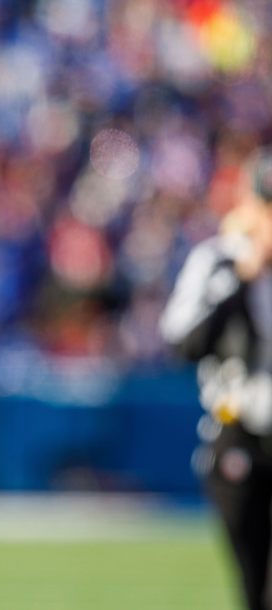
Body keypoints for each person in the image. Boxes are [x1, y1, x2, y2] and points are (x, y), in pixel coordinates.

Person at [161, 148, 272, 610]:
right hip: (238, 426)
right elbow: (183, 343)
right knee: (252, 580)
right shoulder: (218, 260)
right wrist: (241, 280)